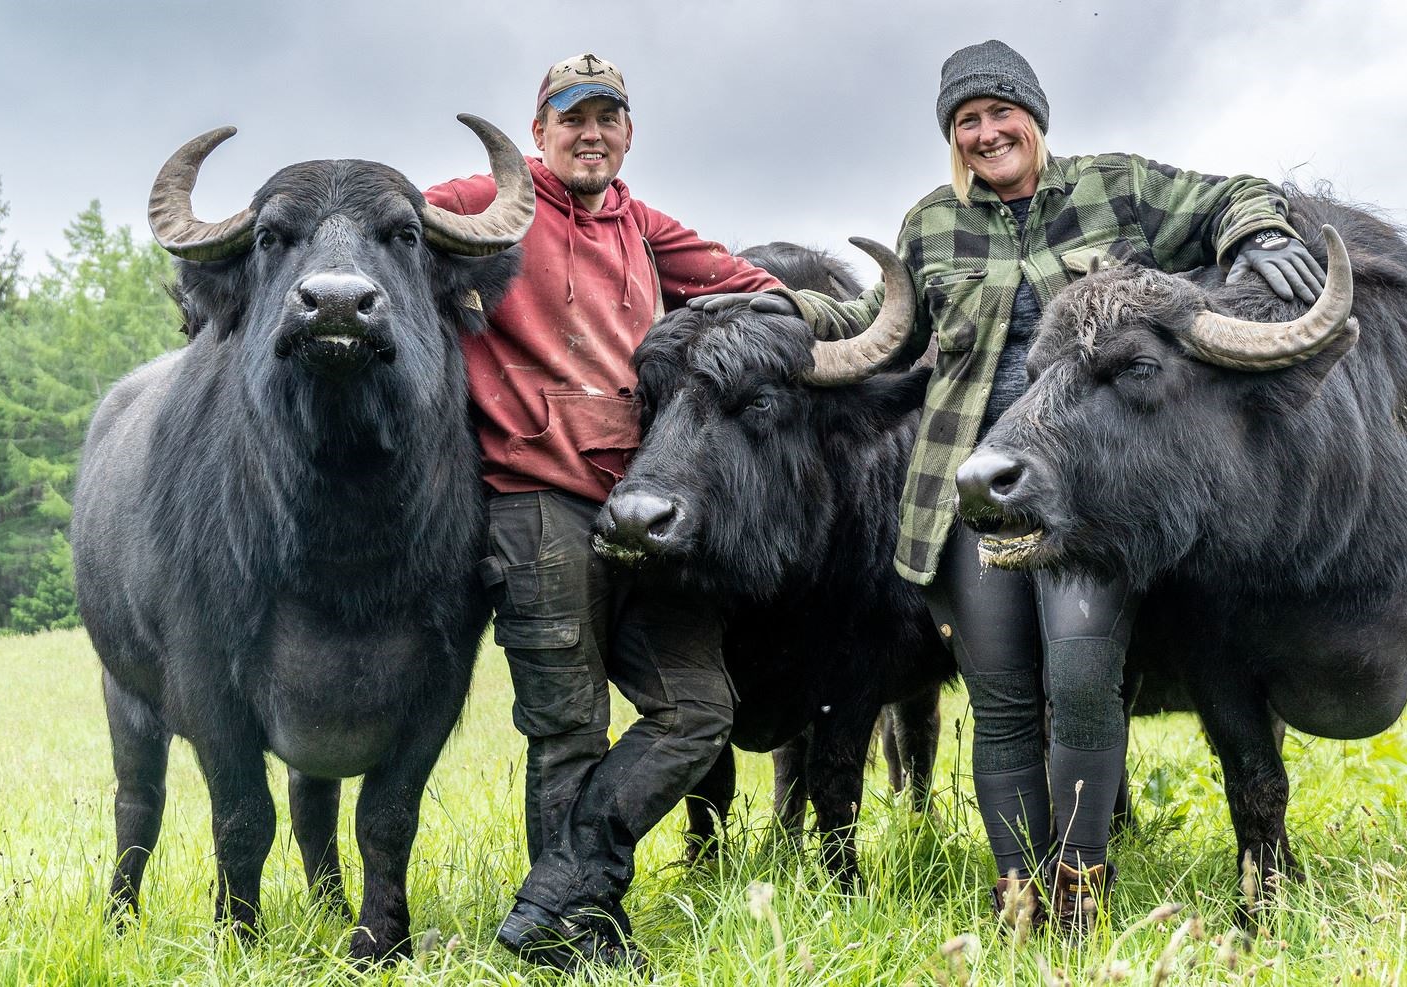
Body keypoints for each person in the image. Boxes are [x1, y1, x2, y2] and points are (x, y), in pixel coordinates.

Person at [693, 39, 1323, 935]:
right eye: (966, 122)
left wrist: (1254, 230)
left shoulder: (1117, 186)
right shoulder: (930, 224)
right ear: (953, 138)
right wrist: (780, 308)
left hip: (1084, 494)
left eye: (999, 113)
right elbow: (887, 326)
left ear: (1035, 115)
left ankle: (1081, 889)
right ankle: (1017, 894)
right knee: (1002, 700)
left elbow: (1235, 193)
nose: (986, 134)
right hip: (971, 494)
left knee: (1081, 684)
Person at [426, 52, 781, 972]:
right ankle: (580, 933)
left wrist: (774, 330)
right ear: (538, 132)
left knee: (698, 708)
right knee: (568, 726)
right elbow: (382, 222)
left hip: (642, 504)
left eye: (608, 119)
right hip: (533, 501)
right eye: (572, 118)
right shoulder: (485, 199)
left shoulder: (640, 221)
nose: (591, 134)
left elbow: (755, 289)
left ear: (628, 133)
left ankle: (559, 892)